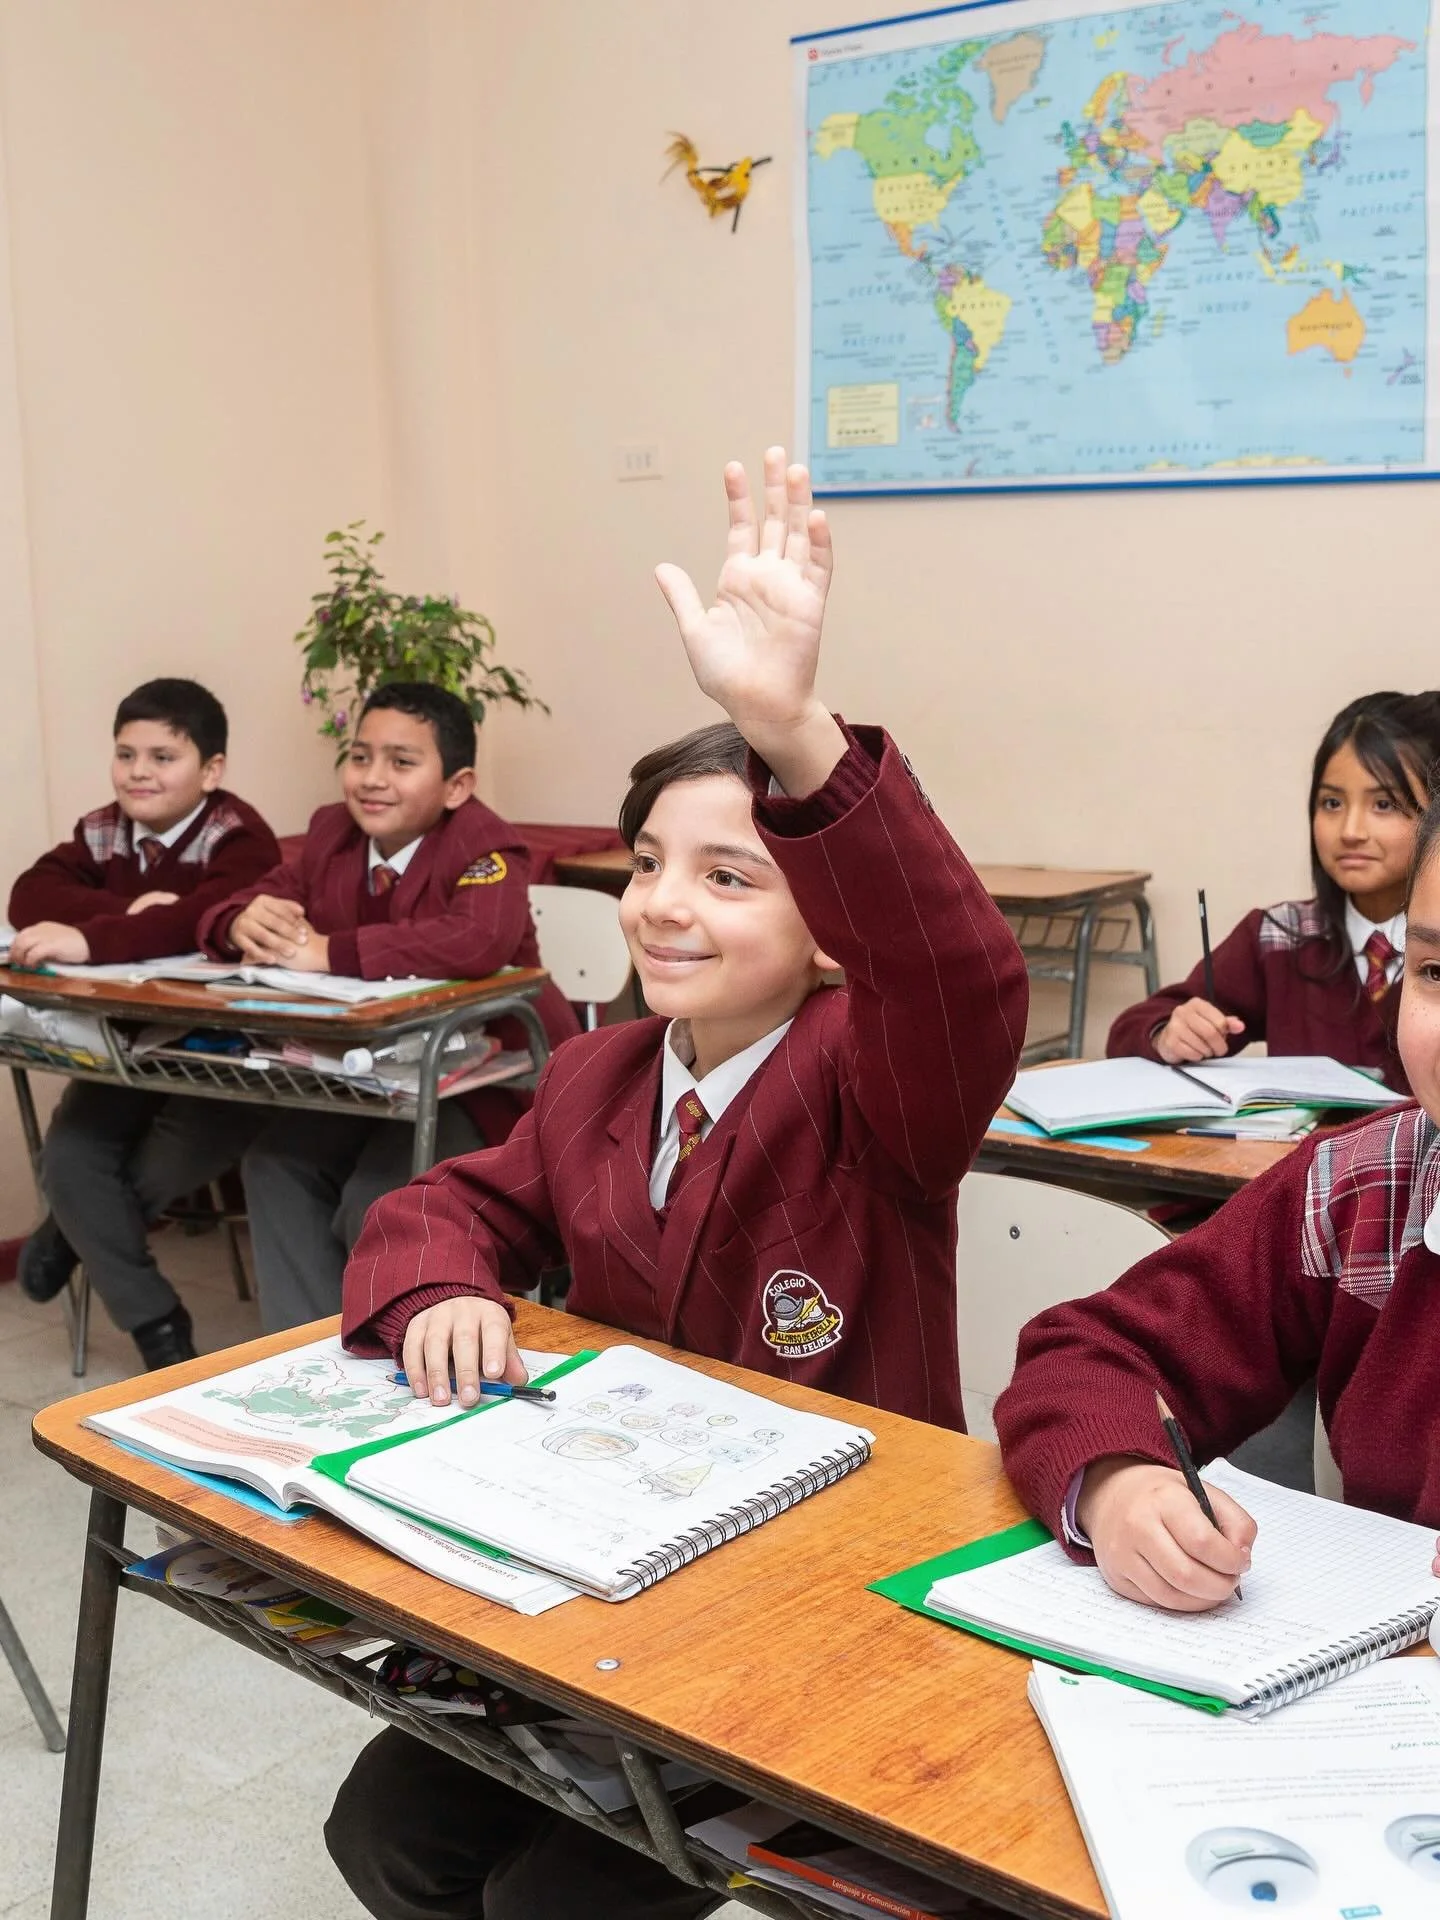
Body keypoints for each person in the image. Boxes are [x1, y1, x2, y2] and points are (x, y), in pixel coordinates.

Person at [323, 448, 1029, 1920]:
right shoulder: (599, 1072)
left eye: (728, 876)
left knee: (549, 1904)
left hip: (812, 1592)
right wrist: (442, 1286)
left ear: (830, 933)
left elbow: (957, 975)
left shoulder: (872, 1081)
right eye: (648, 864)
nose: (661, 906)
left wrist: (794, 732)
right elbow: (446, 1207)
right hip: (609, 1560)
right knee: (381, 1830)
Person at [996, 774, 1440, 1614]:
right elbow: (1084, 1355)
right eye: (1436, 970)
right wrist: (1121, 1485)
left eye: (1385, 802)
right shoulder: (1364, 1186)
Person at [197, 680, 579, 1332]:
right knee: (274, 1165)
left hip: (485, 1086)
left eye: (402, 762)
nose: (373, 778)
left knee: (378, 1199)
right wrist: (237, 921)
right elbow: (256, 897)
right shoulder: (332, 833)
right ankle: (308, 1351)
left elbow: (476, 940)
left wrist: (330, 951)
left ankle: (389, 1353)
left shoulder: (485, 844)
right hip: (372, 1079)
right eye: (360, 757)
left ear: (456, 786)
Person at [8, 676, 280, 1367]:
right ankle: (158, 1322)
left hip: (221, 1054)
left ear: (210, 771)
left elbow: (204, 917)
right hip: (123, 1042)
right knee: (70, 1154)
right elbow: (31, 896)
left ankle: (66, 1233)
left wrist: (92, 936)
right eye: (126, 754)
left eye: (163, 757)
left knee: (162, 1159)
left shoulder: (241, 837)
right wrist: (131, 916)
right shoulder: (104, 829)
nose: (139, 772)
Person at [1108, 691, 1440, 1093]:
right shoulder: (1279, 935)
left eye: (1383, 804)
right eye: (1331, 803)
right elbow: (1133, 1027)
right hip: (1306, 1138)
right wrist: (1169, 1033)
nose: (1350, 831)